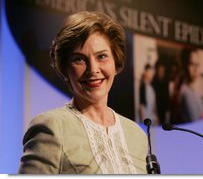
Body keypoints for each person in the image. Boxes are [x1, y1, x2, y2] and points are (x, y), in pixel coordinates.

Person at [18, 11, 148, 174]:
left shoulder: (136, 134)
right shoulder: (52, 126)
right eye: (79, 59)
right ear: (65, 69)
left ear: (116, 61)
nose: (93, 69)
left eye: (102, 56)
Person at [169, 48, 203, 123]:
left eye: (198, 65)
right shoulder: (186, 93)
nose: (196, 69)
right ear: (184, 66)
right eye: (192, 64)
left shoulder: (191, 91)